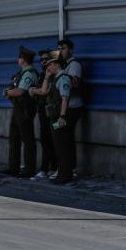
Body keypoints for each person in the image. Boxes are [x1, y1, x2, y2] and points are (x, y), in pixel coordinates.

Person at [1, 46, 39, 178]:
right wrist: (10, 91)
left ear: (23, 60)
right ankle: (13, 167)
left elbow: (20, 91)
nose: (18, 60)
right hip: (18, 108)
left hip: (25, 109)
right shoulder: (22, 73)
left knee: (27, 140)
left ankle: (29, 169)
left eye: (20, 57)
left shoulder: (29, 74)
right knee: (14, 138)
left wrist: (7, 92)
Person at [45, 56, 77, 184]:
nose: (48, 68)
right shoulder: (56, 78)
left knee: (62, 145)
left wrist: (62, 116)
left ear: (57, 64)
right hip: (55, 116)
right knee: (58, 145)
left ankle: (65, 175)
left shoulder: (63, 78)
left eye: (50, 65)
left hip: (60, 117)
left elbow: (65, 98)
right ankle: (63, 174)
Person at [56, 38, 84, 180]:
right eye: (59, 48)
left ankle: (68, 170)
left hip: (71, 107)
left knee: (64, 137)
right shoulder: (64, 65)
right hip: (64, 108)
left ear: (71, 50)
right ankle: (65, 168)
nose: (61, 51)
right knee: (60, 135)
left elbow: (72, 84)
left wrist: (61, 74)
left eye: (64, 48)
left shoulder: (74, 65)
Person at [28, 49, 58, 180]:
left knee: (53, 140)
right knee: (45, 140)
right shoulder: (42, 74)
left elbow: (45, 91)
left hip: (51, 112)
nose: (43, 62)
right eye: (42, 60)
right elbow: (37, 90)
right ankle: (46, 168)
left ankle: (53, 168)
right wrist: (35, 90)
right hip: (42, 110)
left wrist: (35, 90)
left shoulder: (53, 75)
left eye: (46, 59)